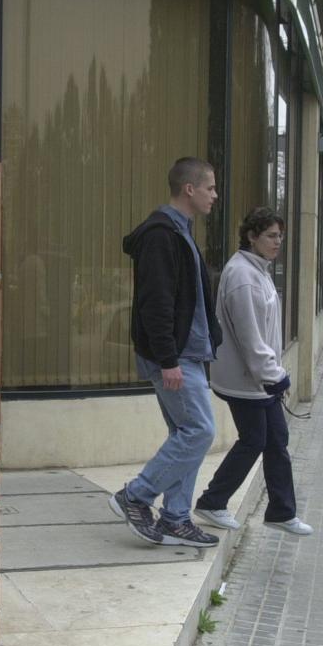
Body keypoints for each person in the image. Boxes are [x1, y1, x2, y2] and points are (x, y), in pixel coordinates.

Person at [109, 158, 222, 549]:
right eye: (210, 188)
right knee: (200, 430)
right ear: (189, 189)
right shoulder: (162, 234)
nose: (215, 195)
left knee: (185, 433)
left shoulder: (180, 232)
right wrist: (168, 359)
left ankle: (176, 518)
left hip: (188, 354)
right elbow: (155, 303)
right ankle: (136, 495)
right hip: (176, 357)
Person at [191, 207, 311, 536]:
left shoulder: (258, 270)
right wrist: (275, 375)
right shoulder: (242, 276)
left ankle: (281, 512)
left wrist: (272, 372)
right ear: (251, 236)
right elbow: (249, 337)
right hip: (245, 380)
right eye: (271, 236)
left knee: (276, 440)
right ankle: (212, 502)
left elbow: (265, 332)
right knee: (255, 440)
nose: (278, 242)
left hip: (259, 378)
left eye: (280, 237)